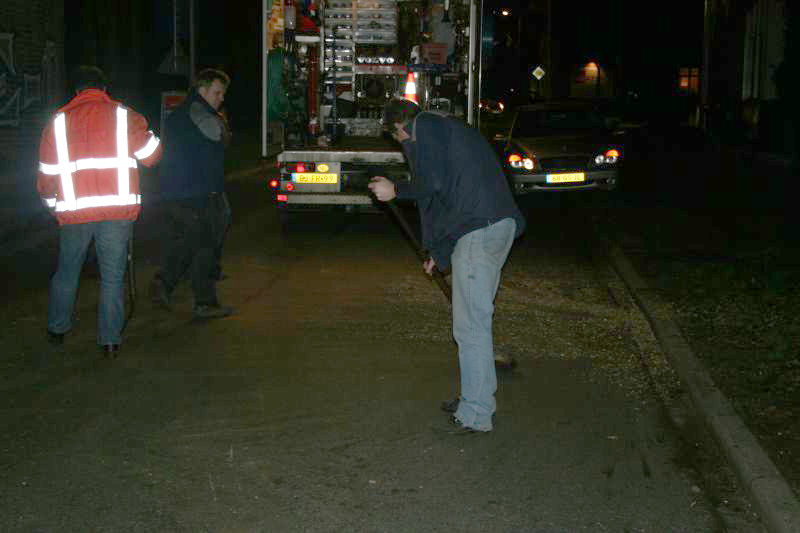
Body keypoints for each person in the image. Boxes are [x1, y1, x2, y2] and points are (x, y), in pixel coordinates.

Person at [368, 98, 526, 434]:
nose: (404, 146)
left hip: (479, 231)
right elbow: (449, 197)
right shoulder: (446, 127)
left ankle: (476, 413)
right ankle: (475, 397)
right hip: (492, 226)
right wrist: (439, 254)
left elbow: (432, 185)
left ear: (399, 127)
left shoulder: (426, 125)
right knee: (474, 325)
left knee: (470, 329)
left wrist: (394, 189)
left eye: (399, 139)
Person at [36, 66, 163, 357]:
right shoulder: (124, 117)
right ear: (105, 90)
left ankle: (57, 329)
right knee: (112, 277)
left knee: (67, 272)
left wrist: (55, 206)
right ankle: (109, 341)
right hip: (116, 214)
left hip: (74, 215)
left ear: (77, 91)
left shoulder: (57, 123)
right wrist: (148, 131)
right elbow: (152, 157)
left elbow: (46, 178)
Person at [149, 68, 234, 319]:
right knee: (203, 245)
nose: (221, 98)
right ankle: (175, 288)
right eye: (217, 93)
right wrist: (222, 124)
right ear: (202, 90)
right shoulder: (199, 112)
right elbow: (220, 137)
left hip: (185, 190)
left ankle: (175, 288)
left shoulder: (183, 114)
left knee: (195, 243)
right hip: (195, 192)